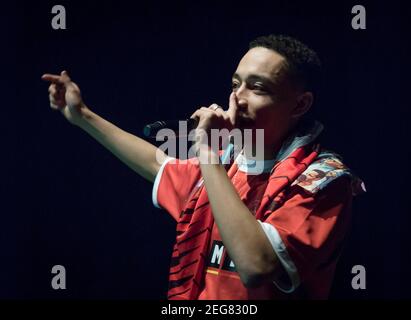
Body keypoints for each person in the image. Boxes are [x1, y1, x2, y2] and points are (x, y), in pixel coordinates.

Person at [42, 34, 364, 300]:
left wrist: (207, 152)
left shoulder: (324, 182)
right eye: (236, 84)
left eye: (258, 88)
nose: (237, 99)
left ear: (300, 105)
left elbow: (255, 265)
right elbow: (159, 165)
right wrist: (82, 115)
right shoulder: (224, 167)